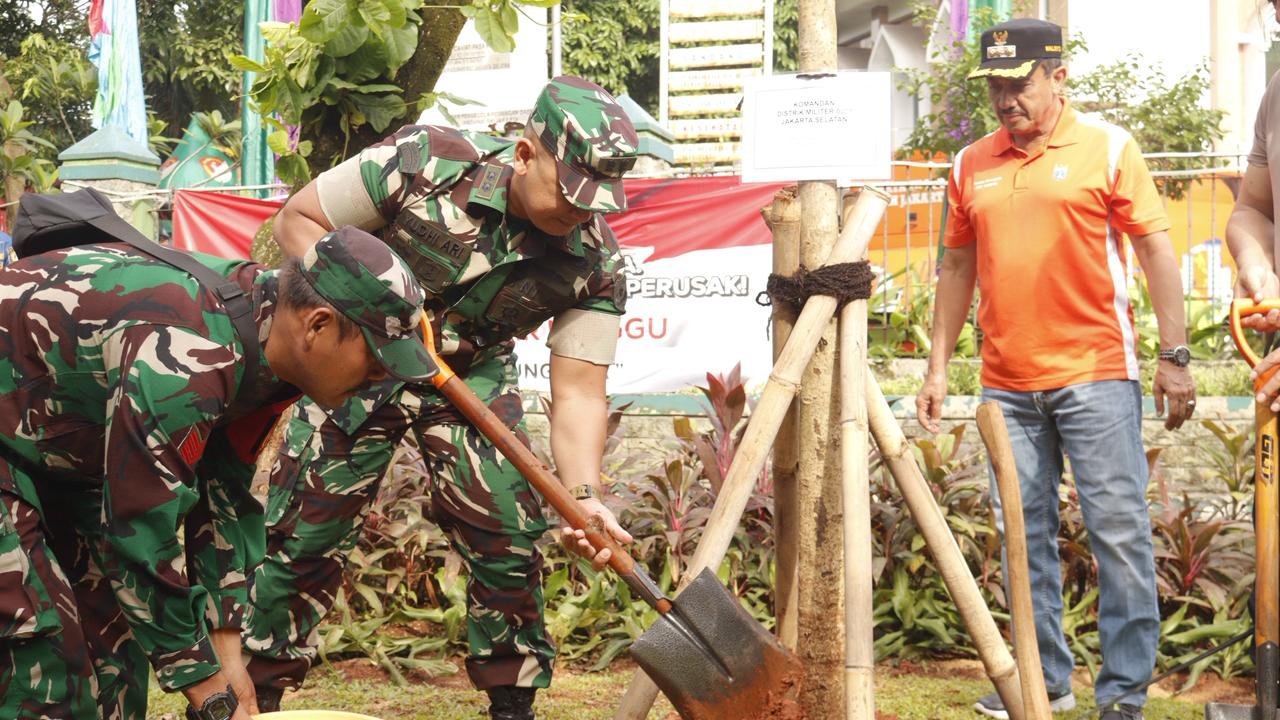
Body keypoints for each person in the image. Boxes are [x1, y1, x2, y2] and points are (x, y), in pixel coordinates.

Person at [242, 75, 639, 720]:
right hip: (361, 359)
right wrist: (367, 310)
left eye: (596, 202)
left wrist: (585, 495)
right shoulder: (427, 160)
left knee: (508, 533)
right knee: (303, 533)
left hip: (469, 373)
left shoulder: (595, 264)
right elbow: (300, 220)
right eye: (571, 193)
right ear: (525, 154)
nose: (580, 213)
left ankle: (512, 704)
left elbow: (579, 393)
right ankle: (254, 695)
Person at [0, 225, 435, 720]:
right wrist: (204, 687)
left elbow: (224, 495)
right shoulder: (188, 352)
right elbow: (139, 529)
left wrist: (226, 658)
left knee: (112, 658)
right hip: (18, 444)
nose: (379, 378)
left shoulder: (268, 343)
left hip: (55, 446)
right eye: (375, 360)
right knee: (43, 663)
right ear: (318, 325)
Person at [914, 18, 1196, 720]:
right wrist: (937, 368)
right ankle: (1045, 685)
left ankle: (1123, 696)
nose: (1005, 99)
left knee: (1119, 536)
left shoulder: (1108, 147)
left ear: (1058, 77)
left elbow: (1156, 250)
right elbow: (956, 267)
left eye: (1020, 83)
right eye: (995, 85)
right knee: (1021, 540)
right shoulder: (969, 162)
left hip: (1097, 374)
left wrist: (1174, 356)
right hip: (1005, 386)